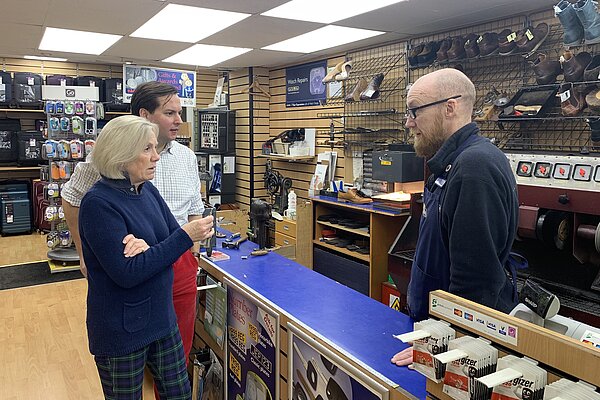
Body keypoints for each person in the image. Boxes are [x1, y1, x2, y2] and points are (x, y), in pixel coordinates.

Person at [62, 81, 211, 375]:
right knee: (133, 348)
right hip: (133, 267)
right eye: (170, 113)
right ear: (145, 115)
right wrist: (85, 253)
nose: (179, 121)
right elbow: (71, 199)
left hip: (178, 260)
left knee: (175, 357)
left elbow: (193, 211)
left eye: (180, 113)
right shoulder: (106, 161)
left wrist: (189, 249)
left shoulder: (186, 157)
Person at [391, 68, 518, 366]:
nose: (409, 122)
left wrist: (442, 346)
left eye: (415, 111)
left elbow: (476, 282)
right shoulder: (449, 164)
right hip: (434, 329)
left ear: (450, 107)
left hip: (455, 348)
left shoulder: (475, 167)